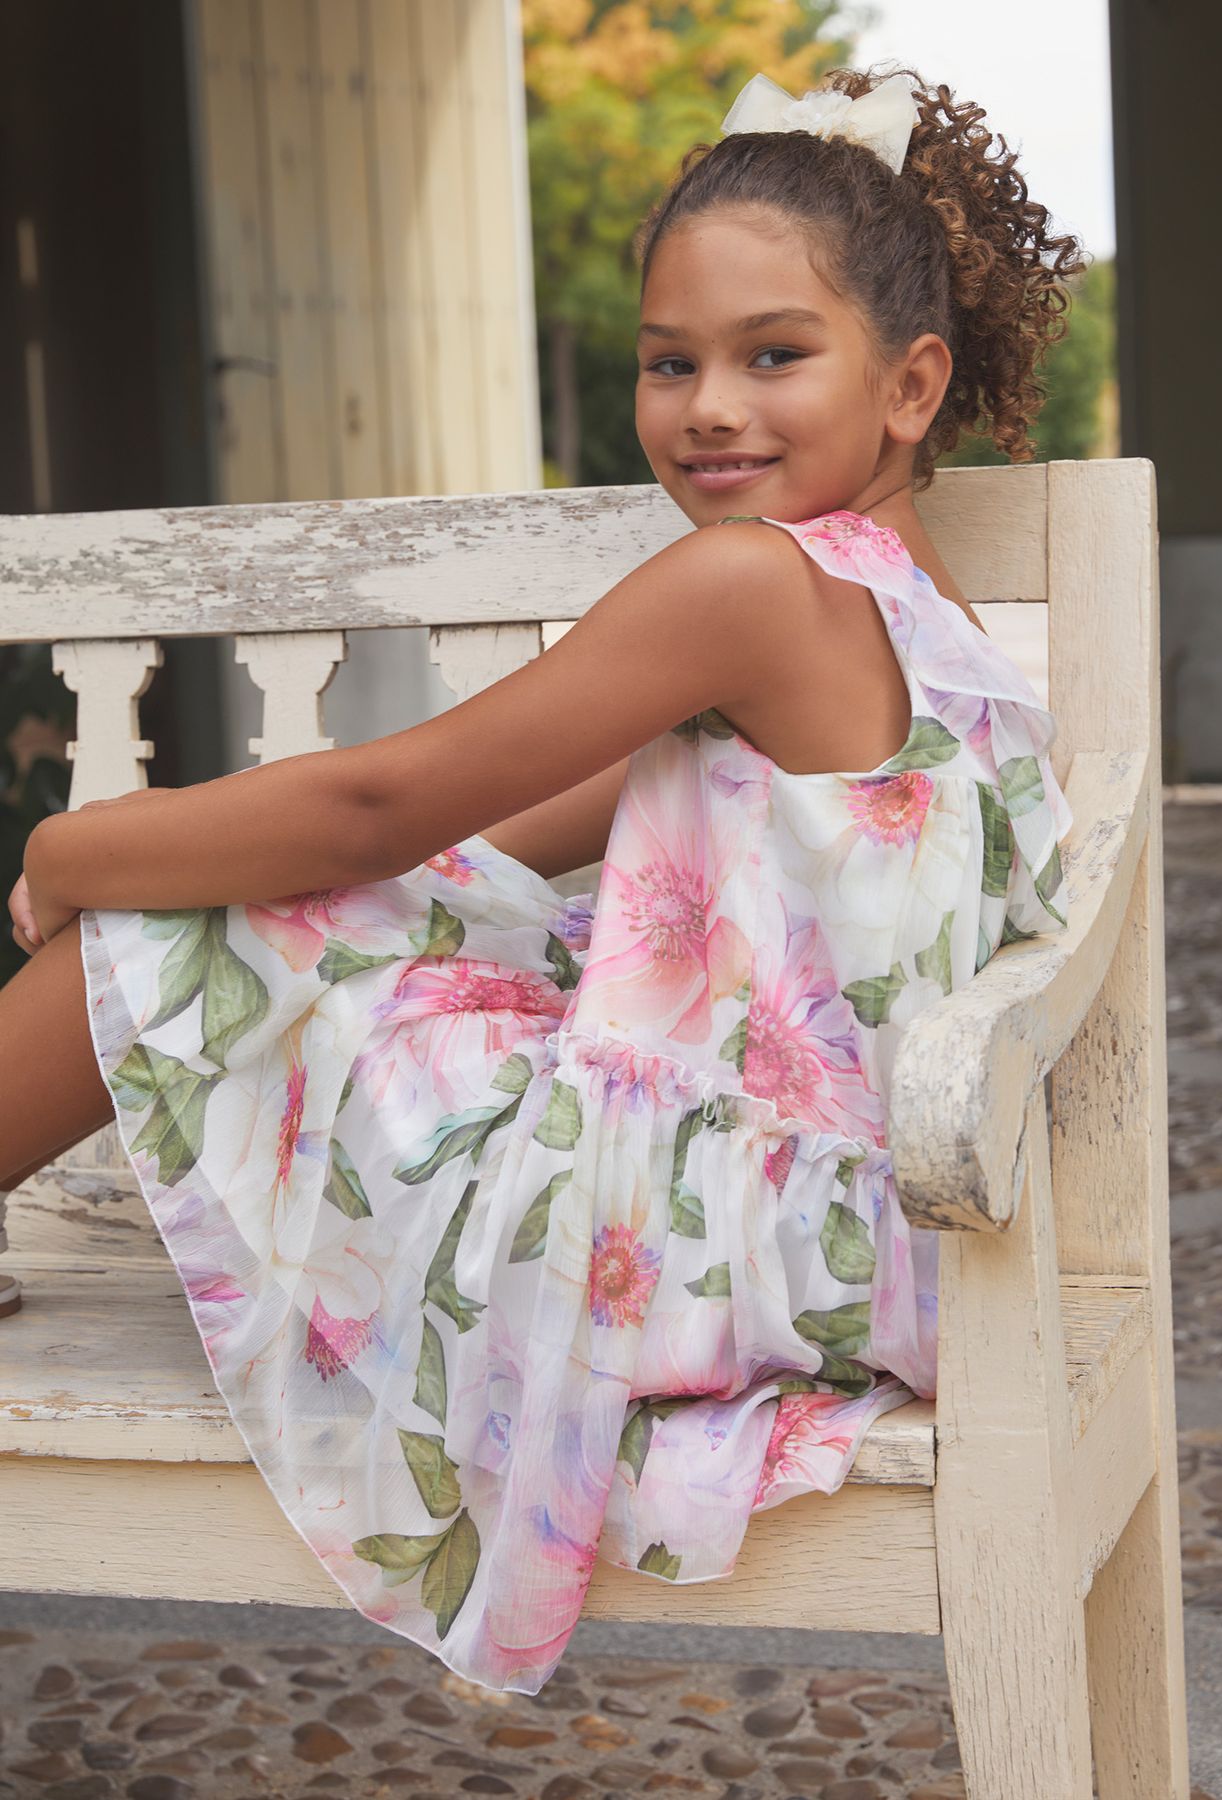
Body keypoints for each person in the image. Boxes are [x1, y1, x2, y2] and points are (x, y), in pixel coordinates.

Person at [0, 64, 1079, 1694]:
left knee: (190, 929)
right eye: (670, 362)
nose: (709, 407)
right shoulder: (912, 611)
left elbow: (378, 803)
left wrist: (71, 849)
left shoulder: (745, 586)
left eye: (771, 355)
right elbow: (489, 835)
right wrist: (239, 885)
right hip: (857, 1234)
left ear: (910, 383)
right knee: (259, 914)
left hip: (699, 1241)